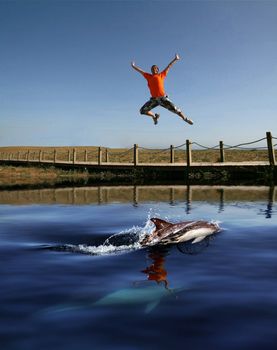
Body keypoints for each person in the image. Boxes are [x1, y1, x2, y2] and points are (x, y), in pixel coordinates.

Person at [131, 54, 193, 125]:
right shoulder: (148, 76)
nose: (153, 69)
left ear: (157, 70)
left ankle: (185, 119)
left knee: (175, 109)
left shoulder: (161, 75)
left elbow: (169, 66)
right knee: (142, 111)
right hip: (154, 100)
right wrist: (133, 66)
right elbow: (141, 71)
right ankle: (154, 116)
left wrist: (175, 59)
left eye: (154, 68)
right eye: (152, 69)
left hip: (162, 98)